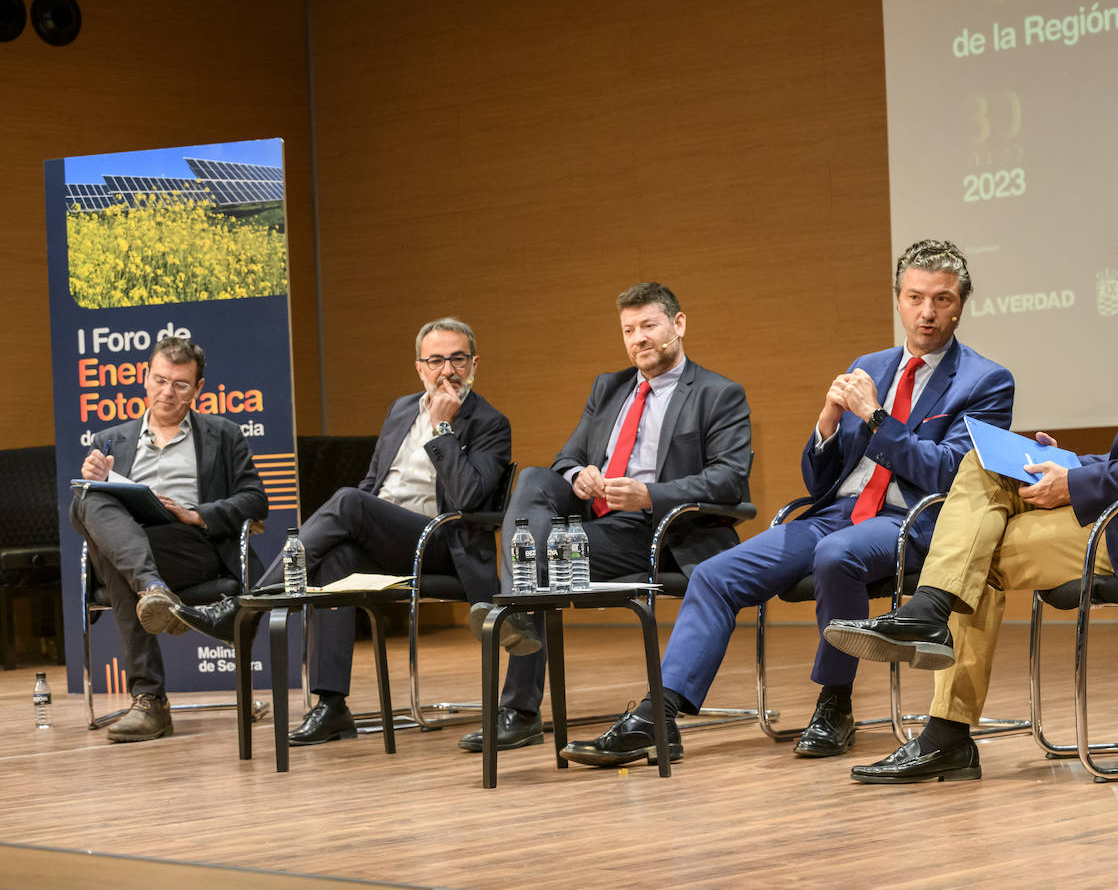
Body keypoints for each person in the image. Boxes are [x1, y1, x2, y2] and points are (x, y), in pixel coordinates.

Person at [825, 209, 1118, 784]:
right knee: (983, 463)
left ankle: (943, 715)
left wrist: (1077, 482)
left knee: (977, 557)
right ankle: (929, 623)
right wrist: (1069, 462)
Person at [560, 240, 1015, 767]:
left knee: (836, 556)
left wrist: (874, 418)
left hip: (909, 521)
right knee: (713, 574)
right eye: (915, 297)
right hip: (833, 515)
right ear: (898, 300)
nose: (927, 312)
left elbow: (950, 474)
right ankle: (660, 715)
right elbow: (821, 476)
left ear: (961, 304)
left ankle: (834, 703)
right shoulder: (871, 364)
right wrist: (825, 424)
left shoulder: (986, 381)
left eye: (941, 299)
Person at [174, 318, 513, 745]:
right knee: (335, 558)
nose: (447, 370)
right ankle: (332, 706)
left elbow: (470, 499)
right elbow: (375, 483)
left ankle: (245, 608)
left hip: (444, 544)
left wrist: (443, 428)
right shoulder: (402, 409)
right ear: (419, 367)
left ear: (474, 363)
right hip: (388, 539)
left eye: (458, 359)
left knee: (349, 501)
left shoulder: (490, 423)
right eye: (436, 360)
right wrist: (359, 525)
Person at [458, 282, 752, 753]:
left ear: (678, 325)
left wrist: (648, 494)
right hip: (591, 523)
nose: (638, 339)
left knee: (537, 568)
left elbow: (729, 479)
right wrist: (578, 476)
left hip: (658, 532)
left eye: (648, 326)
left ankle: (517, 691)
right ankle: (516, 609)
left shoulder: (718, 393)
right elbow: (565, 457)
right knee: (534, 478)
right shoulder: (608, 387)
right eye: (628, 330)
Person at [70, 337, 268, 742]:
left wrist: (197, 514)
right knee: (87, 501)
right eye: (160, 380)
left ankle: (150, 702)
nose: (168, 392)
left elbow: (255, 499)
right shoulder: (110, 440)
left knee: (115, 559)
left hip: (193, 547)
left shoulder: (224, 434)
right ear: (145, 379)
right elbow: (94, 514)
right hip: (131, 548)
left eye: (180, 384)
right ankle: (155, 591)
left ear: (198, 389)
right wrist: (97, 481)